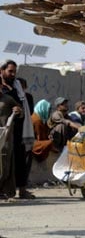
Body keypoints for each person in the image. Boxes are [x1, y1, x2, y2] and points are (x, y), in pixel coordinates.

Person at [0, 59, 35, 199]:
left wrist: (19, 111)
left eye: (14, 71)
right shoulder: (1, 89)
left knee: (21, 159)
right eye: (10, 71)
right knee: (3, 161)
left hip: (18, 129)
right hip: (3, 130)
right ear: (2, 71)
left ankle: (22, 189)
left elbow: (22, 107)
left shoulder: (17, 87)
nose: (13, 74)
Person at [0, 90, 21, 200]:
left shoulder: (8, 99)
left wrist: (18, 110)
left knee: (4, 164)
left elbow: (20, 112)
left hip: (5, 137)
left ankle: (3, 189)